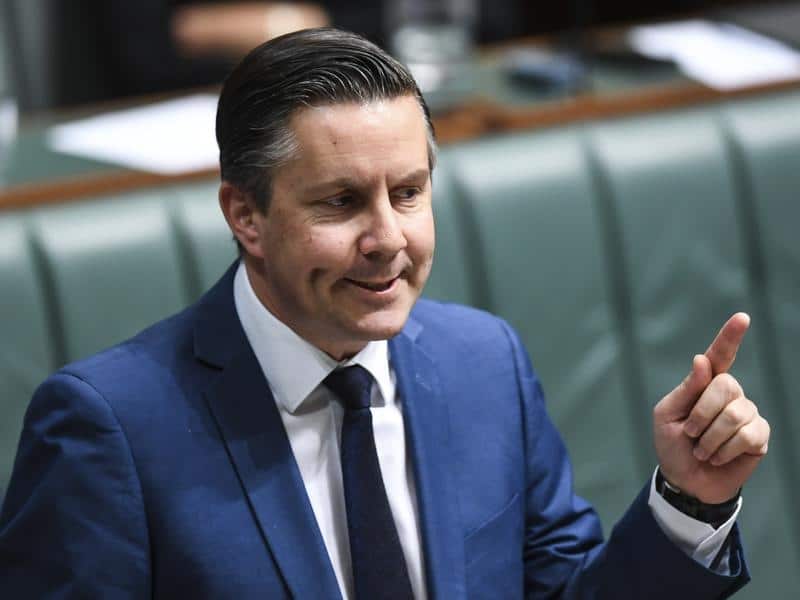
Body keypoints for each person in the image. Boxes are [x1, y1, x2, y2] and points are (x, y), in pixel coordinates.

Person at [0, 28, 768, 598]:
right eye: (340, 202)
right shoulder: (109, 431)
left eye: (408, 192)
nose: (388, 240)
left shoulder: (485, 363)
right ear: (247, 217)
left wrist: (688, 500)